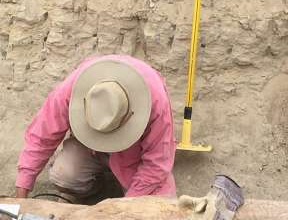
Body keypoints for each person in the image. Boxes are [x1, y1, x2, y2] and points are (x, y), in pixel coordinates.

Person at [15, 55, 176, 201]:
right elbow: (41, 137)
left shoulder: (155, 101)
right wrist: (20, 199)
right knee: (64, 175)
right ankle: (99, 190)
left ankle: (122, 188)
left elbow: (157, 164)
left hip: (134, 158)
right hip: (90, 149)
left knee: (162, 206)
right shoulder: (72, 88)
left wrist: (126, 206)